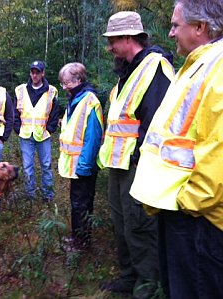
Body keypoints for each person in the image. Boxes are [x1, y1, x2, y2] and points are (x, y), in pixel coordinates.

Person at [130, 1, 223, 298]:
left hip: (199, 218)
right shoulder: (197, 65)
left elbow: (218, 147)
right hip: (182, 211)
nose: (169, 34)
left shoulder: (217, 68)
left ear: (200, 28)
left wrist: (188, 203)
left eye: (175, 25)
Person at [97, 11, 175, 298]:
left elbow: (158, 120)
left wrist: (139, 160)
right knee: (123, 226)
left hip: (138, 165)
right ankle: (129, 278)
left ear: (128, 38)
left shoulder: (155, 67)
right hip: (119, 165)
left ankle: (148, 286)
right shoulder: (127, 72)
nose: (110, 48)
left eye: (113, 41)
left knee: (140, 227)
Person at [58, 63, 103, 251]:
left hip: (83, 167)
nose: (64, 86)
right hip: (76, 166)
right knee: (77, 204)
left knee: (82, 205)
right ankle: (77, 238)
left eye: (66, 82)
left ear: (78, 80)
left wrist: (83, 167)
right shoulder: (76, 99)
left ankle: (82, 244)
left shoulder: (89, 101)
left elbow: (92, 138)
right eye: (62, 83)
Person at [14, 60, 60, 202]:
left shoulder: (52, 91)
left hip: (43, 135)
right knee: (28, 167)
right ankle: (30, 196)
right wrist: (17, 127)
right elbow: (15, 112)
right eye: (32, 72)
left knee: (46, 166)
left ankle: (48, 195)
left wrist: (51, 128)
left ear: (43, 73)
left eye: (37, 72)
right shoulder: (20, 90)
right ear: (30, 73)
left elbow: (55, 112)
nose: (34, 75)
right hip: (25, 135)